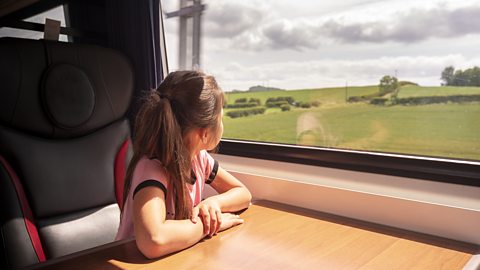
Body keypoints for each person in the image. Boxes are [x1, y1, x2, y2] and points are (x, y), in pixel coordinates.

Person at [115, 70, 252, 259]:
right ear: (204, 133)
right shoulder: (152, 168)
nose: (222, 125)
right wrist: (208, 225)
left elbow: (243, 194)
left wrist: (213, 204)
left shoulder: (200, 159)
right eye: (220, 119)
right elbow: (153, 240)